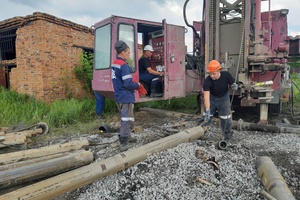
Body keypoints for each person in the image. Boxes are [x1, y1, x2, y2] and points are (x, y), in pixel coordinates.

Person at [111, 40, 140, 152]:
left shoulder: (114, 63)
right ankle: (124, 143)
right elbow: (127, 83)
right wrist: (137, 85)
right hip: (125, 96)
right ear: (122, 52)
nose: (129, 54)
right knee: (126, 119)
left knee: (128, 117)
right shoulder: (123, 65)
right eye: (128, 52)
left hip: (118, 95)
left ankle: (127, 135)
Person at [200, 60, 238, 142]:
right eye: (210, 74)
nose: (212, 76)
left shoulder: (226, 75)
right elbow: (206, 97)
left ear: (219, 71)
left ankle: (227, 136)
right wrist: (207, 110)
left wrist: (234, 86)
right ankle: (198, 133)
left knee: (226, 118)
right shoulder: (207, 81)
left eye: (214, 73)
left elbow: (232, 85)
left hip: (224, 98)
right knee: (206, 117)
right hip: (212, 98)